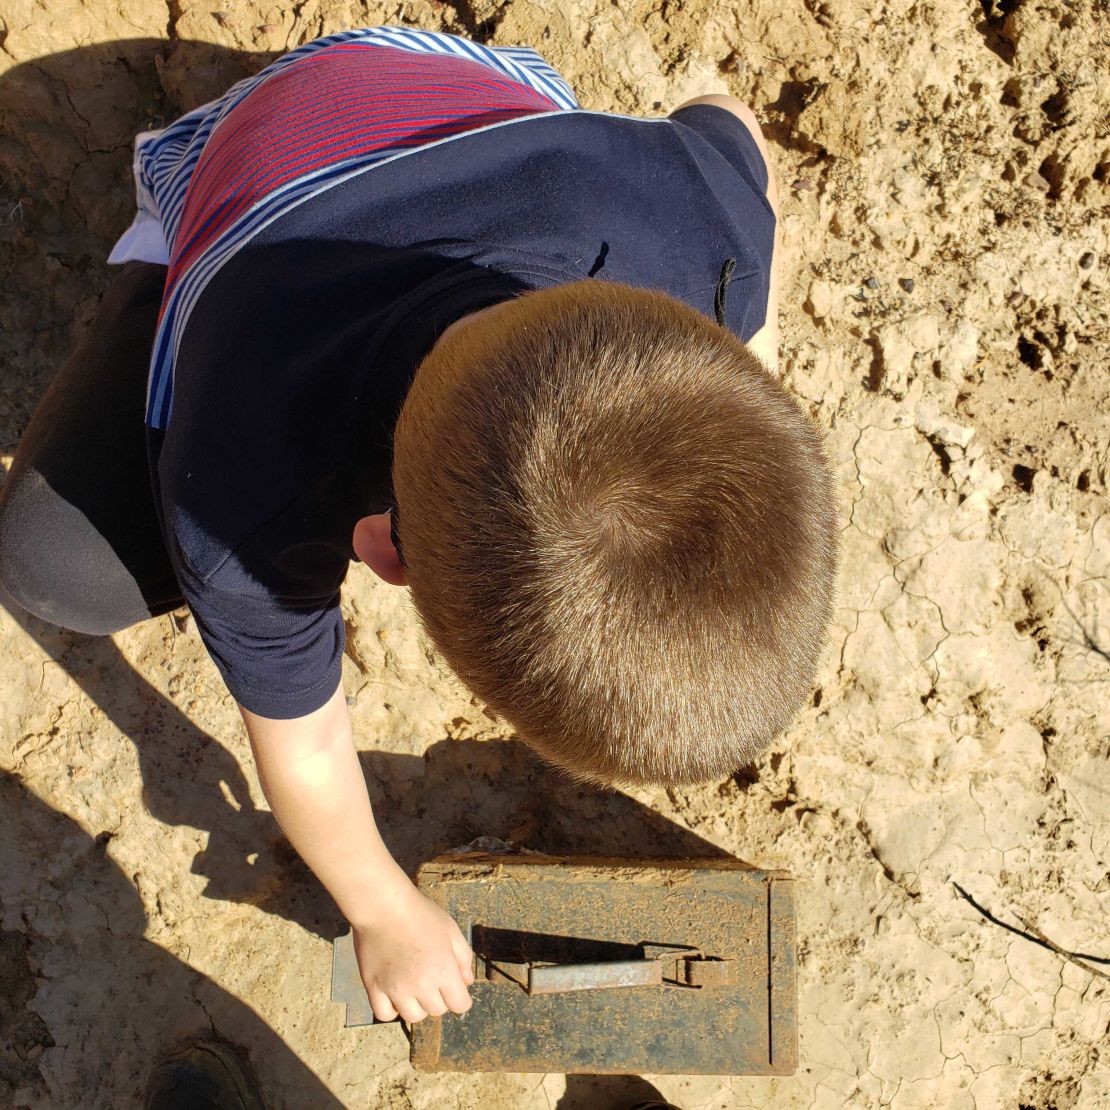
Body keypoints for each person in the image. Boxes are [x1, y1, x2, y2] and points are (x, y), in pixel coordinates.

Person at [0, 27, 838, 1029]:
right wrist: (382, 909)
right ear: (378, 547)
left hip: (446, 94)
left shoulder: (697, 222)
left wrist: (743, 358)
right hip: (244, 200)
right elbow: (303, 755)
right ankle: (151, 274)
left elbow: (729, 126)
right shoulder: (239, 479)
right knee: (58, 571)